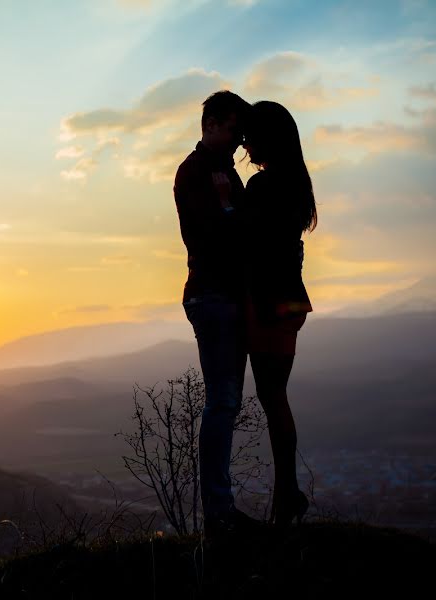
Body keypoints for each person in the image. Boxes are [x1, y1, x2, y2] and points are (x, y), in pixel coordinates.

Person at [173, 90, 260, 538]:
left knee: (225, 403)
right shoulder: (193, 173)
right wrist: (231, 212)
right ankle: (219, 512)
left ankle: (220, 509)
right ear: (210, 125)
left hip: (224, 296)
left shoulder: (224, 173)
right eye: (232, 131)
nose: (237, 142)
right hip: (212, 296)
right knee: (222, 403)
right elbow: (212, 237)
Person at [239, 100, 317, 531]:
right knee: (276, 400)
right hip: (290, 303)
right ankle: (286, 494)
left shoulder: (262, 187)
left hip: (267, 304)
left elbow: (246, 245)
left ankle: (286, 496)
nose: (246, 145)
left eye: (251, 136)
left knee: (272, 399)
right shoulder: (296, 186)